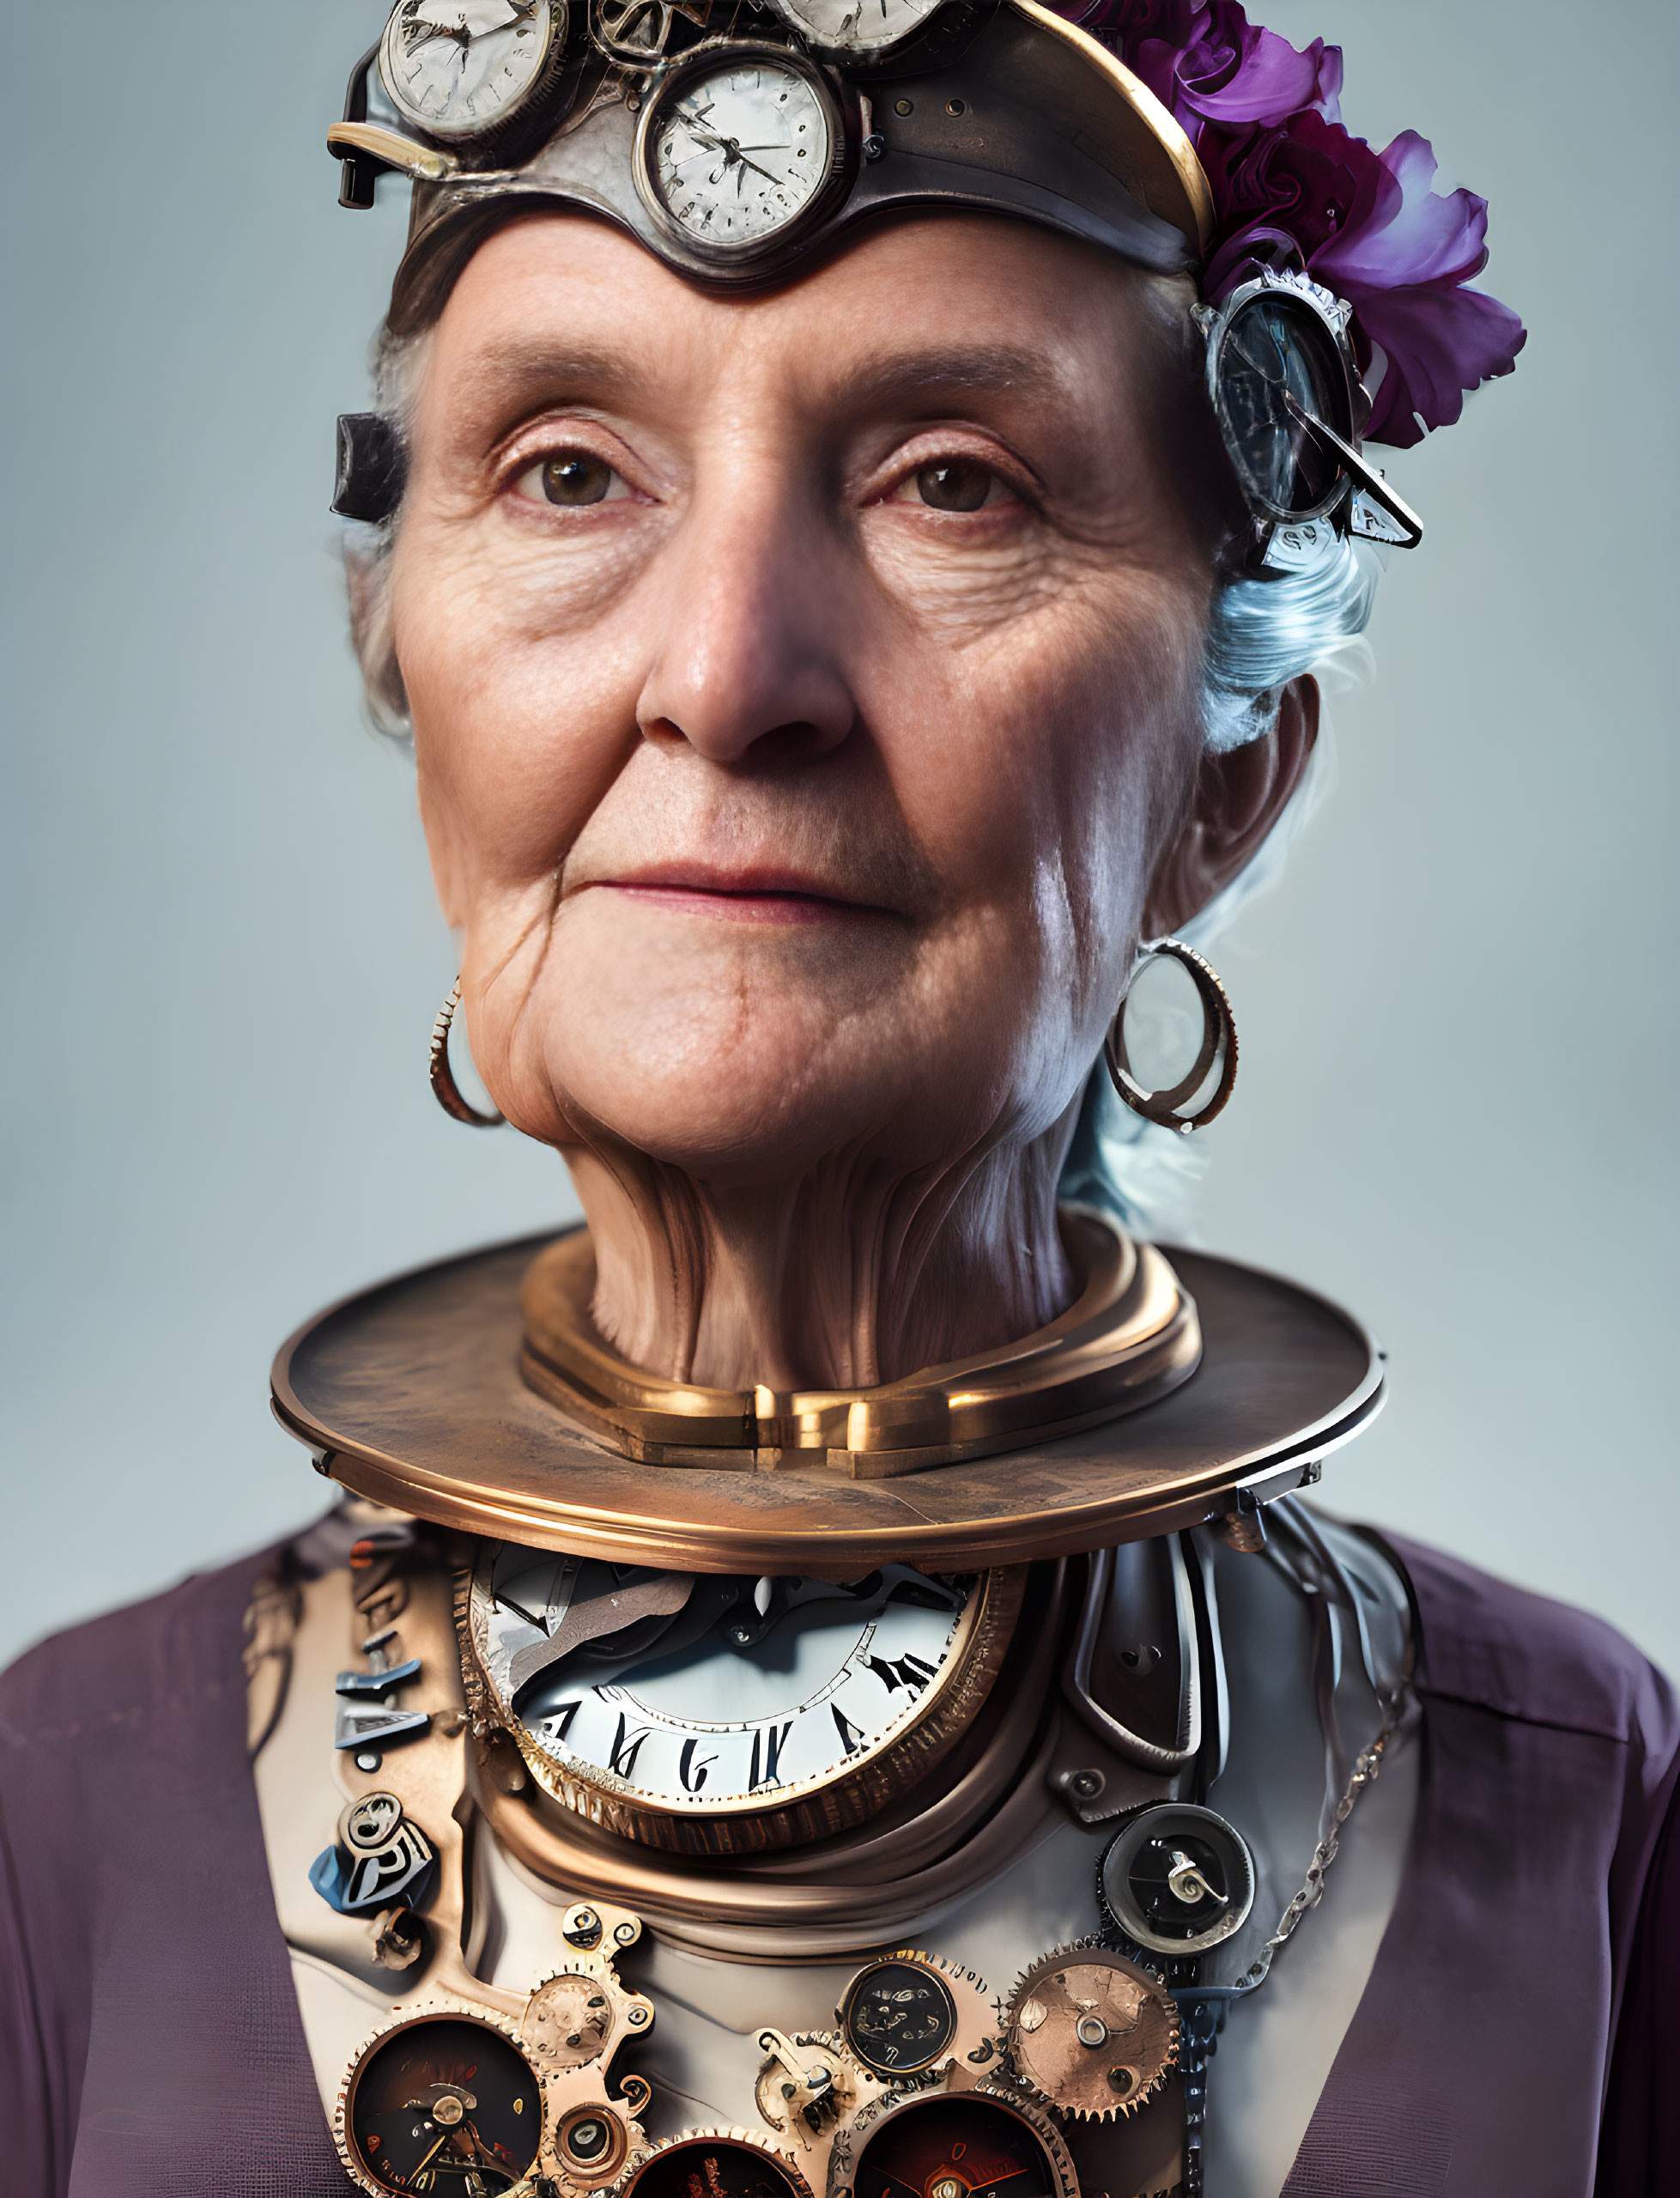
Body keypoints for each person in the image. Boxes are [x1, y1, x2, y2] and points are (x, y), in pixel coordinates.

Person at [2, 3, 1671, 2195]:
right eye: (570, 468)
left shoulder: (1588, 1813)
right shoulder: (60, 1811)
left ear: (1225, 781)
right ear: (407, 664)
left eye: (950, 482)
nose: (722, 673)